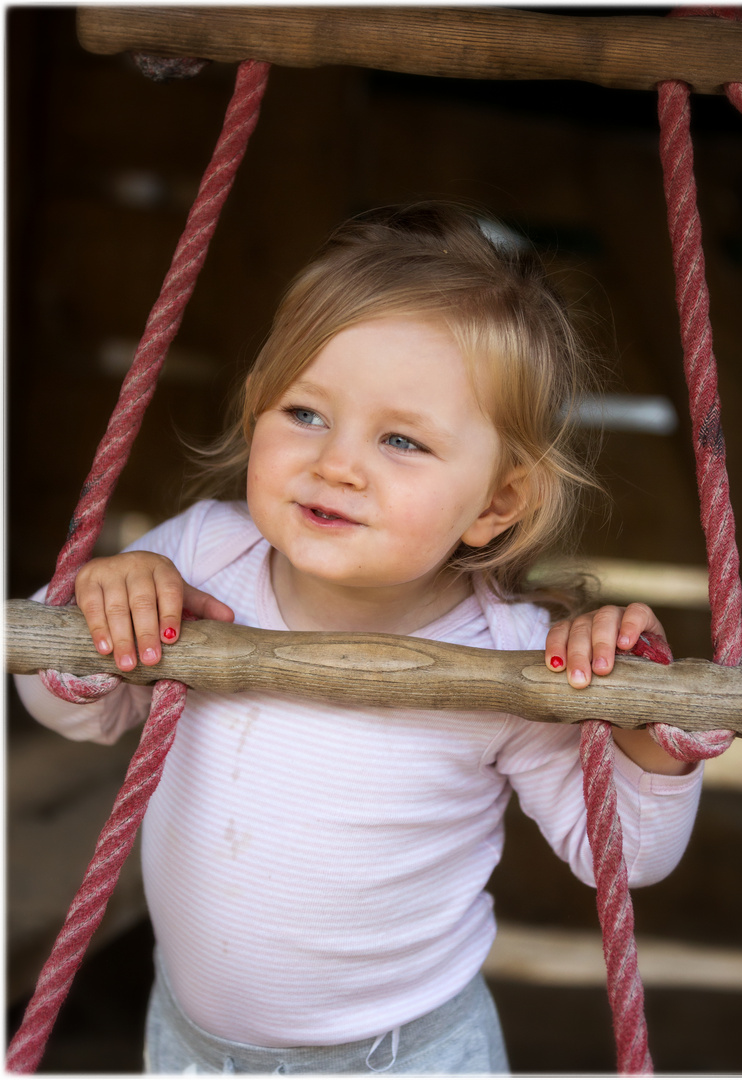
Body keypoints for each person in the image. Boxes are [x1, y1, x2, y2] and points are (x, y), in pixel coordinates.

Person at [15, 202, 702, 1075]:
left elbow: (625, 859)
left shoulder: (519, 659)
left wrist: (648, 733)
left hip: (404, 1056)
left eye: (402, 439)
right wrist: (96, 609)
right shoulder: (200, 559)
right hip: (192, 1045)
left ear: (497, 504)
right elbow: (64, 711)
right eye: (305, 413)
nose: (337, 462)